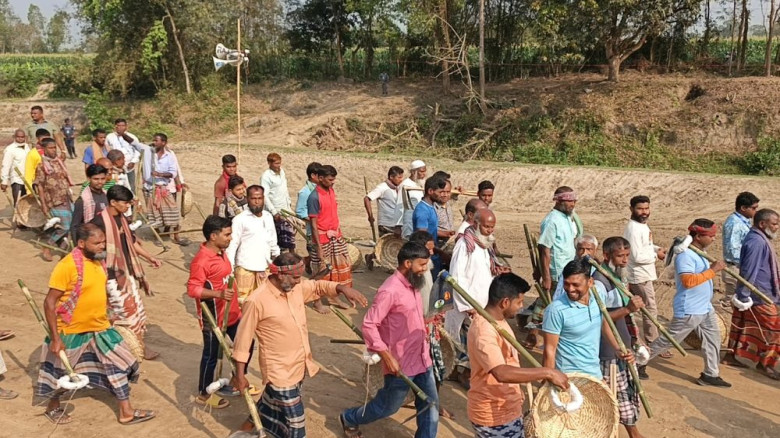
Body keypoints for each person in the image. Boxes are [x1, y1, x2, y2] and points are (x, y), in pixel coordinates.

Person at [232, 252, 368, 437]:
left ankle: (246, 428)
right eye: (296, 277)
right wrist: (240, 376)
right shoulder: (256, 301)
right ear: (280, 274)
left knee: (270, 403)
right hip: (278, 371)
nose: (299, 281)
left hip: (299, 365)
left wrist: (342, 288)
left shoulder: (295, 288)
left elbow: (317, 286)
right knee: (296, 422)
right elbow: (242, 341)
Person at [37, 223, 155, 425]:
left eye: (103, 242)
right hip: (71, 331)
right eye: (97, 243)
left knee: (119, 364)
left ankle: (126, 411)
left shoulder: (98, 262)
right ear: (82, 243)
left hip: (100, 328)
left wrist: (109, 313)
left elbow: (99, 291)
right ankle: (53, 406)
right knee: (62, 373)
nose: (102, 246)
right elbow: (49, 302)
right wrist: (56, 339)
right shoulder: (66, 266)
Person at [340, 242, 439, 438]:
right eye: (422, 264)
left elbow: (412, 316)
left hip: (422, 357)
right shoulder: (389, 290)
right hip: (400, 362)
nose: (425, 269)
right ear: (408, 263)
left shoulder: (414, 284)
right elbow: (369, 324)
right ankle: (350, 418)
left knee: (430, 403)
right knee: (387, 407)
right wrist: (387, 356)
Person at [468, 273, 569, 438]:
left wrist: (515, 390)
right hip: (494, 415)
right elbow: (501, 372)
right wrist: (548, 372)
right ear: (505, 302)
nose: (522, 307)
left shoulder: (498, 320)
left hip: (506, 407)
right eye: (519, 302)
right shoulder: (484, 331)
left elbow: (508, 362)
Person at [638, 219, 731, 387]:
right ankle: (638, 363)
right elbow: (688, 281)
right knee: (667, 341)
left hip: (704, 307)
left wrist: (710, 269)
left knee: (713, 339)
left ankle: (710, 374)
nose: (714, 239)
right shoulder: (685, 255)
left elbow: (699, 275)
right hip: (690, 309)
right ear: (698, 236)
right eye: (710, 236)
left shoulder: (698, 252)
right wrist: (713, 270)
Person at [92, 185, 162, 360]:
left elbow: (131, 243)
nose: (128, 206)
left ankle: (135, 346)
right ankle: (134, 348)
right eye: (125, 203)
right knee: (124, 313)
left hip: (126, 272)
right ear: (113, 202)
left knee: (136, 310)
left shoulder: (122, 219)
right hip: (111, 276)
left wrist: (149, 257)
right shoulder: (98, 224)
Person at [187, 215, 250, 408]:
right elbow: (192, 289)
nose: (230, 238)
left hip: (232, 314)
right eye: (227, 234)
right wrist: (219, 294)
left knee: (247, 343)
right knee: (211, 355)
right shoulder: (201, 261)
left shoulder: (221, 252)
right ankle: (204, 393)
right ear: (213, 236)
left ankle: (236, 380)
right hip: (213, 318)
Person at [445, 209, 508, 388]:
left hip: (481, 303)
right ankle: (463, 373)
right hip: (467, 305)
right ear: (476, 224)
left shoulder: (483, 245)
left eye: (492, 227)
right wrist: (467, 305)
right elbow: (456, 277)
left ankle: (464, 372)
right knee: (469, 342)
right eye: (486, 227)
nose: (489, 231)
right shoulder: (465, 245)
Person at [543, 258, 633, 380]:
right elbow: (549, 350)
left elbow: (602, 322)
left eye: (576, 285)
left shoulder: (599, 295)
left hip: (594, 373)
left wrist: (617, 349)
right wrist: (549, 379)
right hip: (568, 377)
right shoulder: (556, 310)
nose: (570, 289)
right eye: (566, 283)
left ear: (590, 282)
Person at [593, 237, 646, 437]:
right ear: (607, 256)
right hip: (607, 346)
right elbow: (598, 318)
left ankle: (631, 431)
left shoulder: (617, 275)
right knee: (615, 391)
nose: (625, 260)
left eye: (627, 255)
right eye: (620, 256)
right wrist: (627, 309)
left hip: (621, 340)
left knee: (626, 387)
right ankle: (630, 432)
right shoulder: (600, 281)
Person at [723, 209, 780, 379]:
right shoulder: (756, 242)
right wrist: (743, 295)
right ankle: (765, 364)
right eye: (774, 224)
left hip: (760, 293)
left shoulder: (761, 239)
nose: (777, 227)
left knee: (741, 322)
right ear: (763, 224)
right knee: (774, 329)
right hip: (759, 294)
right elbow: (749, 270)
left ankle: (730, 356)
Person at [623, 195, 667, 354]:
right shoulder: (633, 229)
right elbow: (636, 256)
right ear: (631, 209)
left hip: (644, 274)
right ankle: (654, 344)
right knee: (649, 310)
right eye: (640, 209)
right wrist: (657, 256)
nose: (644, 212)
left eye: (646, 208)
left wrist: (656, 249)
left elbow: (645, 246)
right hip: (639, 275)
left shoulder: (642, 226)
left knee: (643, 309)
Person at [227, 185, 280, 303]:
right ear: (247, 199)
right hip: (245, 268)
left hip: (264, 267)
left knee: (263, 302)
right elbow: (232, 245)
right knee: (242, 302)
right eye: (253, 198)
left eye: (259, 198)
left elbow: (272, 240)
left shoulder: (268, 216)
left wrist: (276, 257)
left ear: (263, 198)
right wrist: (230, 268)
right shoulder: (240, 219)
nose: (257, 202)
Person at [308, 165, 352, 286]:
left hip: (336, 237)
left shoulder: (331, 191)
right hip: (322, 240)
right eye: (330, 180)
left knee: (339, 269)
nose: (333, 182)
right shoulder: (314, 197)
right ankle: (316, 300)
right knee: (322, 271)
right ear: (320, 178)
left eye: (334, 179)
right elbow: (313, 224)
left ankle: (333, 296)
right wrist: (318, 247)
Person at [35, 138, 74, 261]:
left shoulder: (59, 162)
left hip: (66, 197)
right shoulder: (41, 166)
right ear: (44, 150)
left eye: (54, 148)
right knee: (65, 227)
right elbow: (40, 185)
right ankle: (47, 246)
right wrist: (43, 204)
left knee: (71, 225)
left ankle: (64, 250)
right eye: (50, 148)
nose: (53, 150)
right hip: (53, 200)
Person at [146, 133, 186, 245]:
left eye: (157, 140)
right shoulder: (149, 155)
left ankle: (175, 235)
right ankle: (158, 235)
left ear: (163, 143)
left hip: (165, 188)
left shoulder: (169, 155)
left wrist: (160, 174)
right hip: (150, 188)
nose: (154, 142)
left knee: (173, 212)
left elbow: (174, 172)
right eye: (153, 140)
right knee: (154, 213)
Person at [721, 192, 760, 300]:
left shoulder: (744, 221)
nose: (755, 211)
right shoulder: (734, 223)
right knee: (734, 302)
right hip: (735, 268)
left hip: (741, 267)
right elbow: (732, 250)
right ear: (743, 208)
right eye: (753, 208)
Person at [412, 173, 449, 275]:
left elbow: (430, 230)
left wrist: (445, 233)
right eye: (440, 192)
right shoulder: (422, 211)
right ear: (430, 191)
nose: (442, 195)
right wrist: (441, 253)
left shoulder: (430, 207)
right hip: (426, 256)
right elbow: (422, 238)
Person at [261, 153, 296, 251]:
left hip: (285, 208)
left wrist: (288, 202)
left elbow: (284, 189)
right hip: (276, 210)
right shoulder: (266, 176)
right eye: (276, 164)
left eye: (279, 163)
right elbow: (265, 195)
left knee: (290, 236)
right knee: (278, 238)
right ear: (269, 163)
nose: (278, 166)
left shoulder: (282, 172)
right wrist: (274, 212)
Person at [364, 165, 406, 236]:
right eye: (399, 177)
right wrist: (370, 216)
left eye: (402, 177)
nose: (401, 180)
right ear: (391, 177)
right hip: (386, 224)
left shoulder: (399, 187)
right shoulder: (382, 188)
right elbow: (367, 199)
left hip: (397, 223)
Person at [296, 162, 321, 274]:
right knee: (315, 252)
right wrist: (312, 219)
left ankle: (307, 260)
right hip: (313, 229)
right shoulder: (304, 192)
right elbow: (300, 211)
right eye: (319, 175)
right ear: (313, 176)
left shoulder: (321, 189)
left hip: (323, 227)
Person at [71, 164, 109, 239]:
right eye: (96, 179)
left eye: (102, 179)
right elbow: (75, 226)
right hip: (91, 239)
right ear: (89, 179)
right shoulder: (83, 200)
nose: (100, 182)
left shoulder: (107, 195)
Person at [105, 119, 141, 191]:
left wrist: (133, 161)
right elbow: (107, 150)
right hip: (115, 168)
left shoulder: (132, 137)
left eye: (123, 126)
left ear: (126, 126)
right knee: (117, 186)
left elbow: (138, 150)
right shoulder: (109, 137)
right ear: (115, 126)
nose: (121, 127)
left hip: (129, 166)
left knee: (131, 187)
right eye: (119, 125)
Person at [1, 129, 30, 206]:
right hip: (17, 179)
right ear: (14, 137)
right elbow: (6, 166)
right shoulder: (10, 149)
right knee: (17, 202)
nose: (20, 139)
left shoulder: (27, 147)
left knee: (28, 202)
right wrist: (4, 181)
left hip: (28, 179)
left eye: (22, 137)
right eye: (18, 137)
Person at [401, 160, 428, 239]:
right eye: (421, 172)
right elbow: (399, 204)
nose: (424, 174)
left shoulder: (422, 184)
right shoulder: (406, 184)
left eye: (424, 172)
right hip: (409, 220)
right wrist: (397, 225)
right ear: (413, 172)